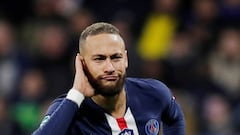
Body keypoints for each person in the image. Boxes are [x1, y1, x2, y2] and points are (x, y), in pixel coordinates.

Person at [32, 22, 185, 135]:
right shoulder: (68, 110)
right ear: (82, 64)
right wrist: (77, 93)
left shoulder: (154, 93)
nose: (110, 67)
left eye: (116, 57)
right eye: (99, 59)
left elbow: (174, 117)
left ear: (125, 59)